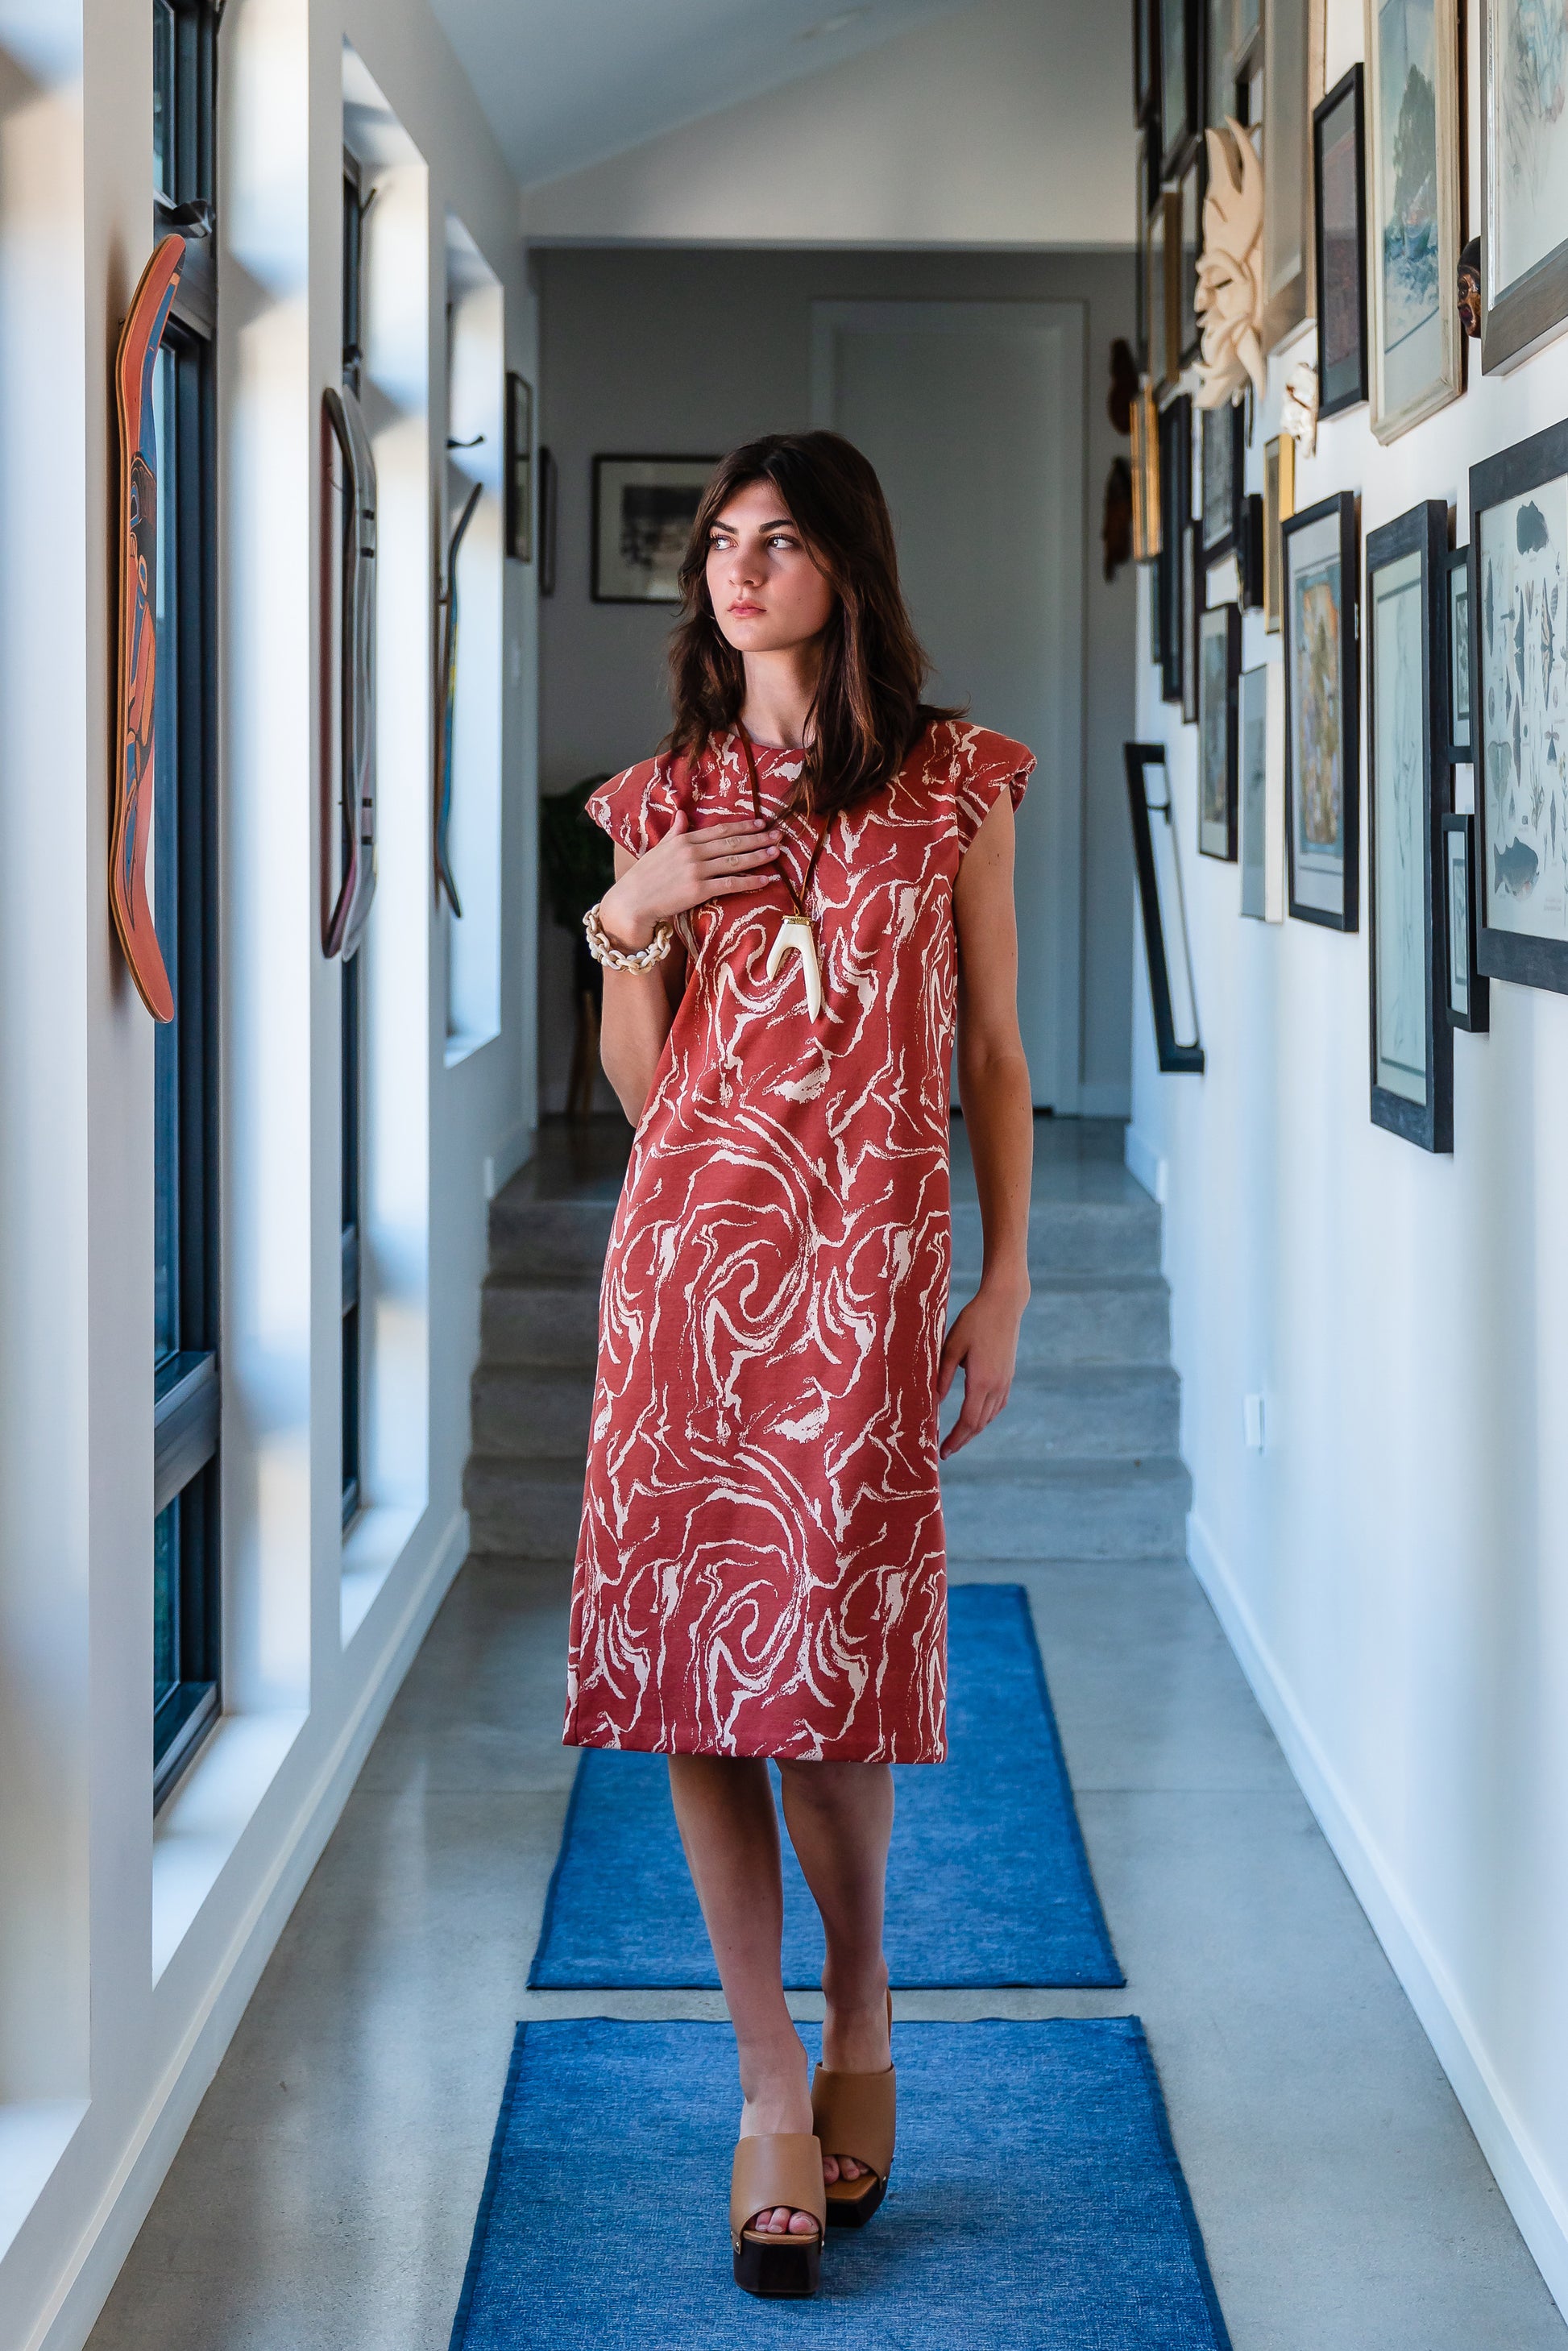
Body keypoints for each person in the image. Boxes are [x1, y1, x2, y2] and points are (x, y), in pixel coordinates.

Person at [565, 429, 1035, 2299]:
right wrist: (635, 912)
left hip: (863, 1282)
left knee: (828, 1671)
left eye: (776, 539)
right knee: (697, 1675)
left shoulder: (955, 782)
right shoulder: (656, 801)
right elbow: (644, 1092)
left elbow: (989, 1049)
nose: (738, 567)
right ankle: (767, 2072)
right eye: (720, 542)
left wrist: (1006, 1277)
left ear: (847, 565)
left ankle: (858, 1998)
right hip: (688, 1277)